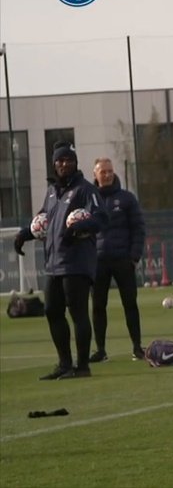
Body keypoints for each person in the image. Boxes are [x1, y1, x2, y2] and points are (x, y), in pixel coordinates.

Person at [13, 142, 108, 380]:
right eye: (59, 161)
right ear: (54, 164)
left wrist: (76, 229)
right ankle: (64, 364)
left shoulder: (86, 190)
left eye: (68, 160)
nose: (64, 164)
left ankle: (83, 366)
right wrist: (25, 234)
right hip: (54, 262)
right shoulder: (53, 192)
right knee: (52, 311)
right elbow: (44, 220)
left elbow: (101, 219)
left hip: (76, 262)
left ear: (75, 163)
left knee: (78, 313)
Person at [89, 157, 146, 363]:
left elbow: (138, 228)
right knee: (97, 306)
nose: (107, 175)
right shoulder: (88, 199)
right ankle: (101, 350)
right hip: (98, 262)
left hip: (123, 260)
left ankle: (137, 347)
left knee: (130, 304)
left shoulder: (126, 199)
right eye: (102, 171)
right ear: (95, 174)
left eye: (109, 171)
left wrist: (134, 257)